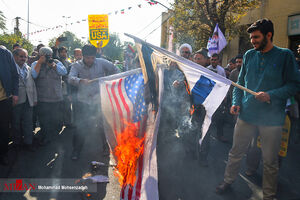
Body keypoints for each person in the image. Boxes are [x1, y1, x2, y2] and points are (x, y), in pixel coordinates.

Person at [216, 19, 300, 200]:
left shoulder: (285, 55)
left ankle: (269, 195)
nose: (252, 41)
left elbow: (294, 85)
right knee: (236, 152)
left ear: (268, 35)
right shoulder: (248, 55)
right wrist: (236, 102)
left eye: (256, 37)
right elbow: (240, 83)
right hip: (247, 115)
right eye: (251, 37)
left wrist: (271, 94)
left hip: (272, 119)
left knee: (270, 161)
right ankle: (228, 180)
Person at [68, 44, 119, 160]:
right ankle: (76, 151)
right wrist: (80, 81)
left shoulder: (101, 62)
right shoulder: (76, 65)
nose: (90, 60)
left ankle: (107, 148)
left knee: (103, 125)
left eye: (92, 58)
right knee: (81, 127)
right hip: (83, 100)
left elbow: (115, 70)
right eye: (87, 58)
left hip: (99, 100)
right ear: (83, 57)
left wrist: (110, 80)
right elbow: (70, 78)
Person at [31, 47, 67, 145]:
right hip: (43, 98)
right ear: (40, 55)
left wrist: (54, 66)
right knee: (44, 120)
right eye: (45, 56)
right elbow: (34, 75)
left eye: (49, 55)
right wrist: (40, 62)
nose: (48, 57)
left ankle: (54, 137)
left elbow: (64, 72)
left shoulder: (56, 62)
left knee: (56, 119)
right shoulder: (35, 63)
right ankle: (46, 137)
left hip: (56, 98)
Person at [12, 48, 37, 152]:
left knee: (28, 123)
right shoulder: (11, 68)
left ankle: (28, 143)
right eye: (21, 56)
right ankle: (17, 143)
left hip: (29, 100)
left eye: (25, 57)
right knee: (16, 123)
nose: (23, 58)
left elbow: (33, 85)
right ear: (15, 57)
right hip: (16, 100)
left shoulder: (29, 68)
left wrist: (35, 98)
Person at [0, 47, 19, 165]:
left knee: (4, 129)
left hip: (4, 99)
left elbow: (14, 74)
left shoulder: (5, 53)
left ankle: (3, 154)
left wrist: (15, 93)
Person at [58, 46, 72, 128]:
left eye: (65, 52)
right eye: (62, 52)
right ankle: (60, 123)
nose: (63, 54)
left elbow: (70, 76)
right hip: (58, 88)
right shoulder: (56, 61)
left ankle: (68, 122)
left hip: (67, 87)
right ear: (59, 53)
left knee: (67, 106)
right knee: (59, 107)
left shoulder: (69, 63)